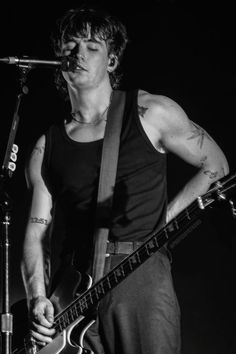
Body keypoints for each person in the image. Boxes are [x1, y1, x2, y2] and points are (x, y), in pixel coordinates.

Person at [20, 5, 229, 354]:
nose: (79, 53)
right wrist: (38, 297)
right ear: (58, 57)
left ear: (112, 61)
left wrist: (163, 220)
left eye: (92, 46)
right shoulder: (47, 146)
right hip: (71, 292)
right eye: (70, 45)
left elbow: (216, 164)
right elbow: (36, 231)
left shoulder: (151, 112)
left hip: (139, 277)